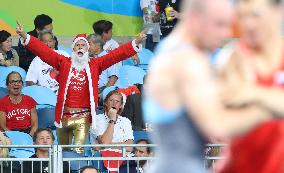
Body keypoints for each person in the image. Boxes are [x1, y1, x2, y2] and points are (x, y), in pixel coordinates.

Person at [143, 0, 272, 172]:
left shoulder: (172, 50)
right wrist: (269, 104)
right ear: (195, 19)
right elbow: (219, 125)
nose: (226, 34)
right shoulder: (187, 61)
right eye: (219, 24)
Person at [16, 22, 145, 154]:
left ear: (87, 48)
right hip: (64, 115)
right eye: (77, 45)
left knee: (78, 152)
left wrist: (135, 42)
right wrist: (26, 36)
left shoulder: (96, 64)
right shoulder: (63, 62)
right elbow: (44, 51)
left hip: (83, 116)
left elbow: (116, 55)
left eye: (83, 45)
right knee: (63, 152)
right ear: (73, 48)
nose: (80, 48)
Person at [219, 0, 284, 172]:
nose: (248, 24)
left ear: (278, 12)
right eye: (242, 16)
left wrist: (254, 93)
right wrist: (275, 104)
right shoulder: (233, 60)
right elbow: (225, 124)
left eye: (255, 15)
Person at [0, 71, 38, 136]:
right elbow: (3, 126)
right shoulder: (2, 102)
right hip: (9, 134)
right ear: (7, 86)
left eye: (19, 81)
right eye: (12, 82)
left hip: (28, 134)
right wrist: (14, 137)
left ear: (22, 84)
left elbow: (34, 125)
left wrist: (29, 137)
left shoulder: (30, 100)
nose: (16, 84)